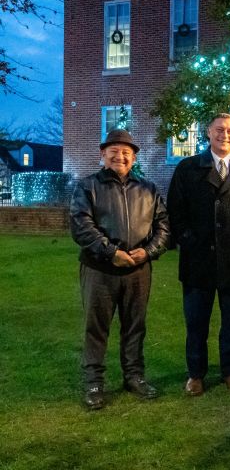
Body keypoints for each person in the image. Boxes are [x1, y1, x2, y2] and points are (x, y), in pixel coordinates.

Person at [167, 112, 230, 397]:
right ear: (208, 133)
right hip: (198, 261)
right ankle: (196, 374)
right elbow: (175, 212)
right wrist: (188, 240)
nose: (225, 135)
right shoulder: (188, 169)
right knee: (196, 322)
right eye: (219, 130)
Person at [70, 129, 170, 410]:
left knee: (135, 326)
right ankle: (94, 383)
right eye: (114, 150)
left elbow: (164, 226)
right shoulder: (87, 186)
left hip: (138, 270)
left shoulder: (148, 189)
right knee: (96, 327)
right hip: (99, 269)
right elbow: (81, 225)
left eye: (126, 151)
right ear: (103, 154)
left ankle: (134, 376)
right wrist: (111, 252)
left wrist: (148, 252)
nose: (120, 156)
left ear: (134, 156)